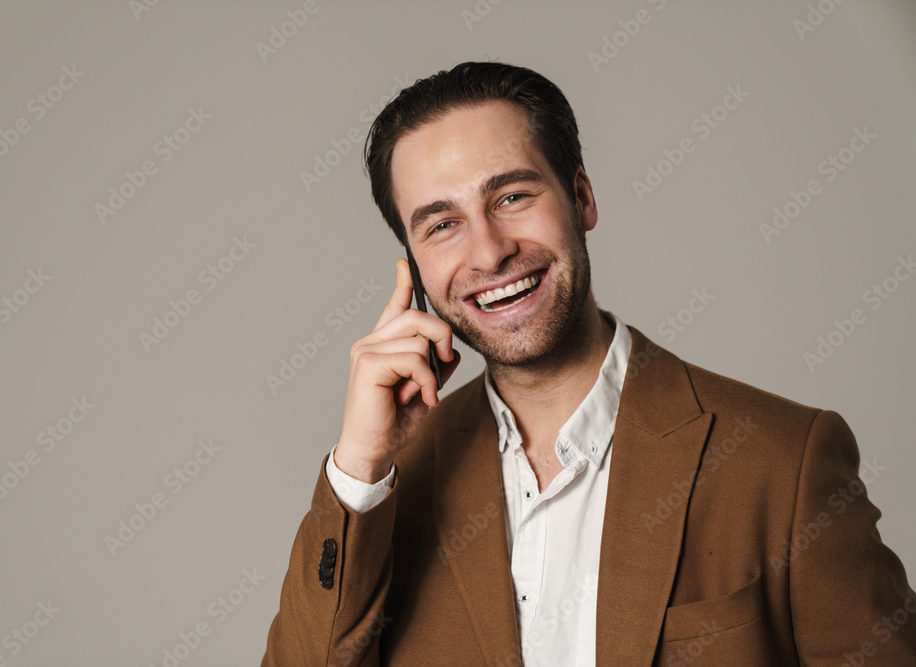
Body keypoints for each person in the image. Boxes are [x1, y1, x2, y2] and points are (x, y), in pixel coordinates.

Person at [262, 61, 916, 665]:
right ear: (414, 265)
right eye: (441, 225)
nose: (488, 253)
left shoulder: (785, 461)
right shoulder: (386, 488)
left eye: (512, 197)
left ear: (581, 197)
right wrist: (358, 466)